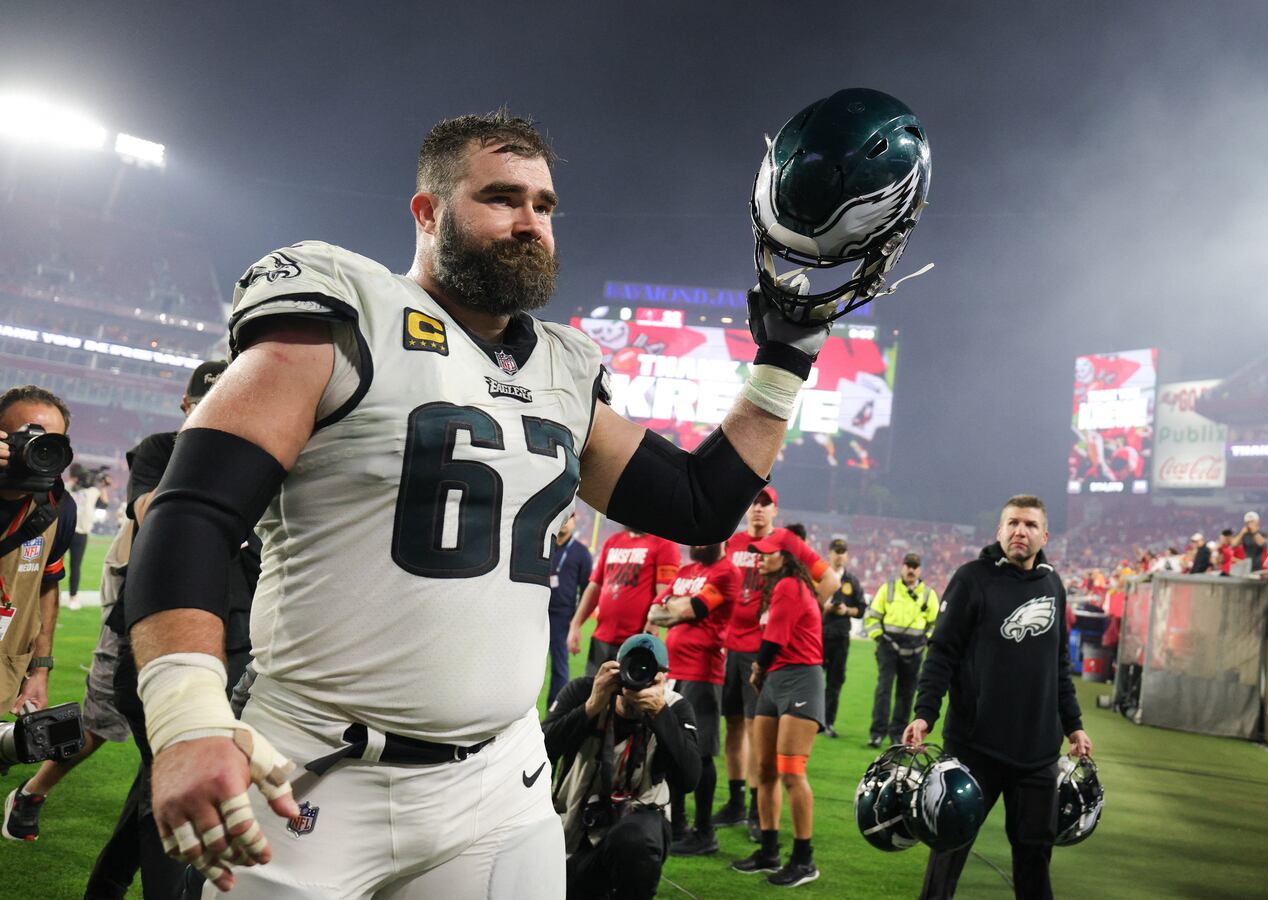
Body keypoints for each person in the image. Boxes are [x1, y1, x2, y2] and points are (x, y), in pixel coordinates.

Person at [120, 110, 825, 896]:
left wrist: (784, 360)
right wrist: (186, 714)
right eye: (502, 198)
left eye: (545, 205)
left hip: (498, 782)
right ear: (427, 213)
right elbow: (192, 511)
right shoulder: (348, 314)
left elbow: (698, 504)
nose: (530, 222)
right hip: (314, 770)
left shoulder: (561, 367)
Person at [76, 361, 239, 897]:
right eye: (209, 401)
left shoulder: (264, 458)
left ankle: (105, 885)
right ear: (188, 406)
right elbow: (154, 512)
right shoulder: (163, 450)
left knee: (155, 781)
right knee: (177, 781)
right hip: (157, 651)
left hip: (233, 648)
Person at [906, 495, 1092, 900]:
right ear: (999, 531)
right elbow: (942, 654)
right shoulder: (972, 578)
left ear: (1044, 534)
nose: (1019, 531)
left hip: (1037, 753)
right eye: (1011, 523)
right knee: (948, 848)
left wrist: (1073, 724)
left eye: (1028, 525)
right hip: (974, 749)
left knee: (1034, 858)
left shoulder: (1053, 584)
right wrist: (924, 714)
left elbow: (1060, 664)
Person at [710, 487, 837, 841]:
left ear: (776, 511)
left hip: (763, 654)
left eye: (765, 504)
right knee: (733, 726)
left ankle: (756, 809)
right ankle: (736, 802)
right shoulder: (733, 544)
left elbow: (831, 579)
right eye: (752, 503)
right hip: (731, 648)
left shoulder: (786, 542)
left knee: (755, 731)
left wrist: (803, 613)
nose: (757, 510)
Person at [543, 635, 701, 900]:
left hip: (638, 824)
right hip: (575, 830)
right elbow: (540, 750)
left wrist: (661, 715)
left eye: (650, 672)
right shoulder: (585, 692)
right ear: (616, 668)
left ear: (662, 677)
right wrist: (591, 707)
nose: (639, 678)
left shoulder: (673, 707)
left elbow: (689, 779)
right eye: (632, 668)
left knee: (635, 840)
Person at [0, 385, 77, 842]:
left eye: (50, 439)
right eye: (25, 435)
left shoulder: (55, 509)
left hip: (6, 667)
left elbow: (48, 585)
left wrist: (40, 669)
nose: (37, 448)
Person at [733, 539, 825, 887]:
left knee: (790, 772)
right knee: (765, 770)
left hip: (800, 680)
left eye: (767, 554)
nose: (759, 560)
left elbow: (774, 640)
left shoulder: (790, 585)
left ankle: (804, 859)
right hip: (777, 680)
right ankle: (769, 851)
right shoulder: (779, 587)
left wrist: (756, 670)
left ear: (787, 558)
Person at [644, 540, 740, 856]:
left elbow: (691, 608)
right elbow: (655, 612)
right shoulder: (687, 570)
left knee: (700, 752)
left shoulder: (727, 572)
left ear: (722, 540)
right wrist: (676, 609)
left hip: (703, 672)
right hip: (674, 671)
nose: (695, 544)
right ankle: (679, 824)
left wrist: (677, 607)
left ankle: (704, 832)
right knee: (673, 746)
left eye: (704, 539)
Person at [567, 527, 676, 676]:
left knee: (628, 697)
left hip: (636, 643)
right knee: (594, 694)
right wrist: (575, 624)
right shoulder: (612, 541)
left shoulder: (664, 544)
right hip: (601, 638)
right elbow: (595, 586)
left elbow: (663, 594)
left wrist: (648, 635)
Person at [865, 552, 938, 747]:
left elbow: (935, 624)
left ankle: (897, 734)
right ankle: (877, 733)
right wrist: (880, 638)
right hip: (888, 646)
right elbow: (872, 617)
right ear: (902, 567)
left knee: (906, 693)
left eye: (915, 566)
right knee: (884, 690)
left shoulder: (928, 594)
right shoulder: (887, 589)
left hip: (915, 649)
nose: (911, 569)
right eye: (908, 565)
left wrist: (924, 640)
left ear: (920, 569)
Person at [545, 512, 592, 703]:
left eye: (569, 518)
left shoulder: (581, 553)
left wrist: (576, 622)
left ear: (574, 522)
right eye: (562, 519)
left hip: (562, 617)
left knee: (559, 666)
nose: (565, 523)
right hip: (536, 613)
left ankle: (555, 709)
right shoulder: (544, 548)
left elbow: (587, 589)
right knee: (528, 661)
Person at [820, 538, 863, 738]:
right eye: (836, 551)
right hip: (818, 635)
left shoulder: (852, 581)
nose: (839, 555)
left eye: (842, 551)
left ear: (846, 555)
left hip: (840, 638)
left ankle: (828, 723)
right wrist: (824, 608)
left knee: (835, 682)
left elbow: (861, 610)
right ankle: (812, 721)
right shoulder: (818, 576)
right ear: (829, 553)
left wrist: (846, 610)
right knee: (813, 680)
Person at [63, 465, 107, 611]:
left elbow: (104, 504)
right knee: (55, 565)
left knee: (75, 566)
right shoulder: (70, 488)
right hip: (66, 531)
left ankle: (73, 597)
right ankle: (69, 597)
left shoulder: (91, 491)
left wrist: (103, 486)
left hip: (76, 532)